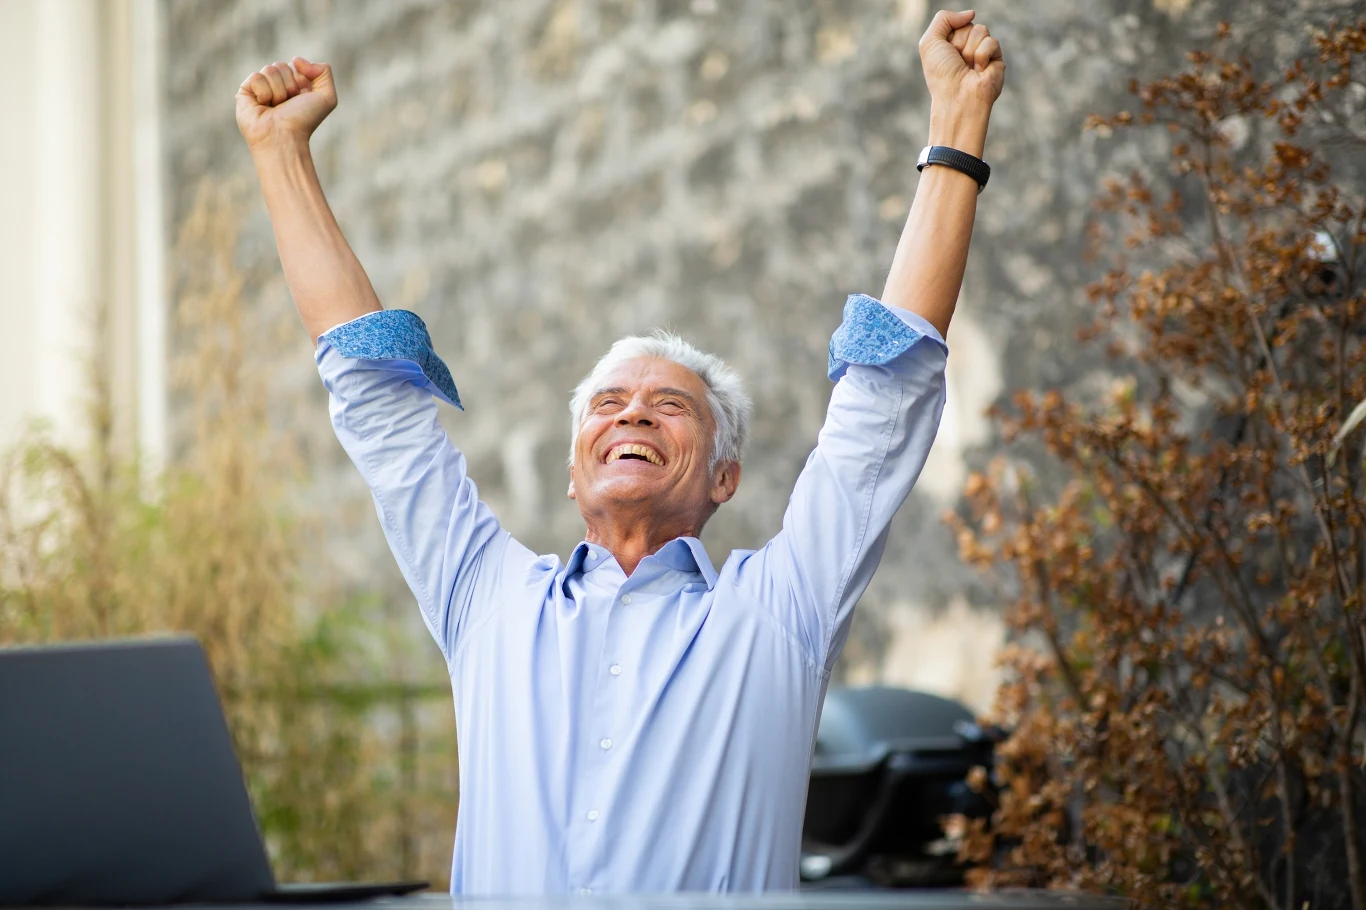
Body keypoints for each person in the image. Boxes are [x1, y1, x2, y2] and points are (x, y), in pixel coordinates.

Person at [236, 7, 1004, 894]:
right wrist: (280, 152)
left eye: (670, 405)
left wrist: (955, 122)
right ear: (574, 471)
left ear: (726, 474)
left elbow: (887, 392)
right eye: (608, 403)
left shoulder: (780, 611)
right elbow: (375, 397)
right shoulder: (485, 599)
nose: (633, 413)